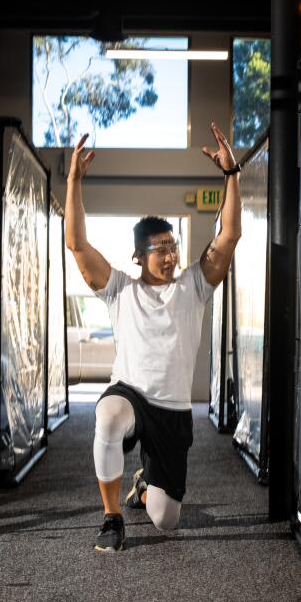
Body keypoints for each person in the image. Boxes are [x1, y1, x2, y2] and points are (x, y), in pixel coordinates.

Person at [66, 123, 241, 552]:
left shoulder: (194, 285)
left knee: (166, 520)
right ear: (138, 255)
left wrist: (232, 175)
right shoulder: (120, 288)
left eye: (173, 245)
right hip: (130, 395)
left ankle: (144, 485)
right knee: (106, 420)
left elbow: (229, 235)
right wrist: (72, 182)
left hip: (174, 411)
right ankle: (111, 518)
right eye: (159, 248)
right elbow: (76, 243)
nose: (170, 254)